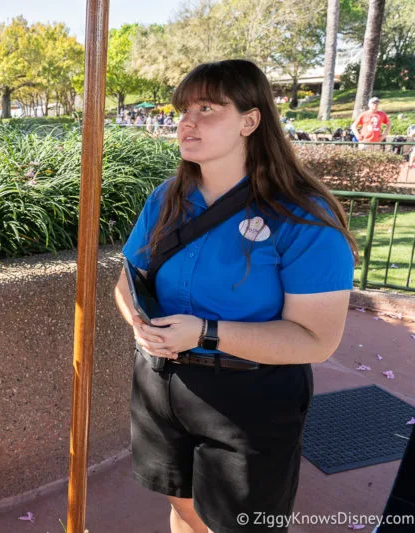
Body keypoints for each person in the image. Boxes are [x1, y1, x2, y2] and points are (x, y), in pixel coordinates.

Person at [114, 59, 357, 533]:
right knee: (182, 507)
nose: (186, 120)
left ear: (250, 120)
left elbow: (315, 339)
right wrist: (140, 327)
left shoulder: (302, 216)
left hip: (249, 400)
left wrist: (204, 333)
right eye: (183, 109)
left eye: (207, 108)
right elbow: (128, 281)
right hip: (161, 385)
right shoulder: (165, 199)